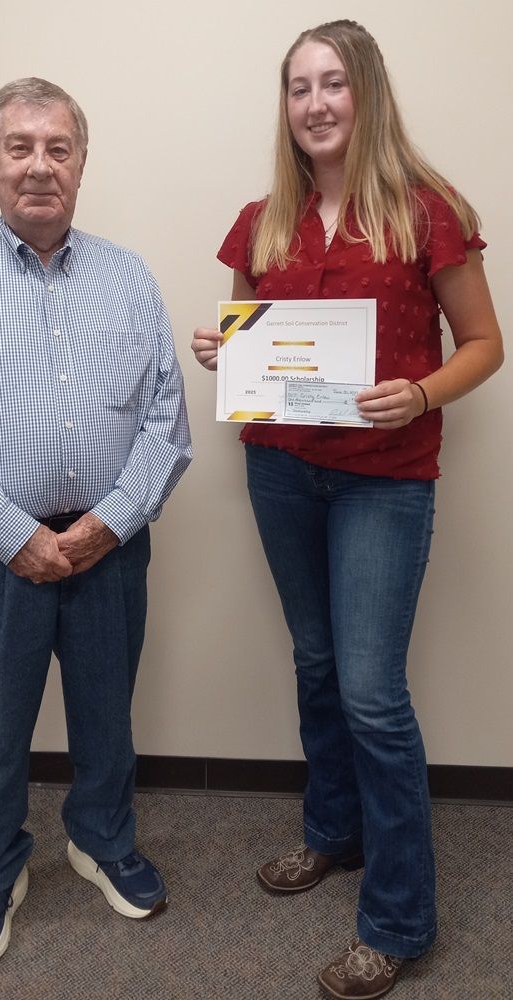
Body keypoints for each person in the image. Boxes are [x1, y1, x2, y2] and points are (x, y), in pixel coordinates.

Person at [192, 20, 502, 1000]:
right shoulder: (262, 221)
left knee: (371, 690)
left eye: (332, 84)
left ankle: (401, 919)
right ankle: (333, 829)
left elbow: (484, 343)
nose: (315, 103)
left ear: (364, 94)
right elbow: (248, 346)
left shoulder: (428, 210)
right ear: (284, 107)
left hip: (384, 476)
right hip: (283, 470)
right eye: (298, 88)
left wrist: (421, 391)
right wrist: (223, 355)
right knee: (317, 663)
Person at [0, 77, 191, 968]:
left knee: (108, 715)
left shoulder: (129, 276)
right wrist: (15, 533)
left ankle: (100, 840)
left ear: (82, 163)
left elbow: (164, 420)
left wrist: (106, 524)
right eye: (18, 146)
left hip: (112, 547)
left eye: (58, 148)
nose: (38, 165)